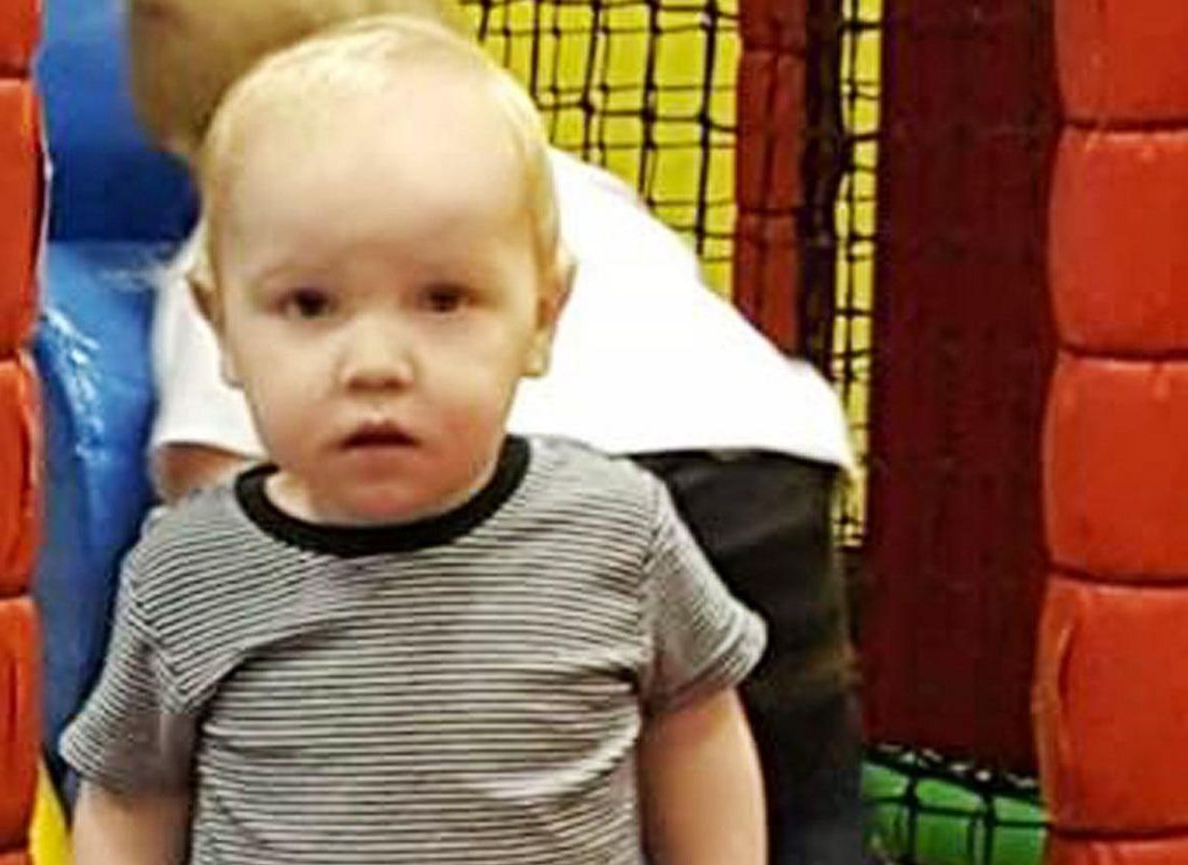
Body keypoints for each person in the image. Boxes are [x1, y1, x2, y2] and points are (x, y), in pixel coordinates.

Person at [128, 1, 867, 863]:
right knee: (790, 779)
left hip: (559, 503)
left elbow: (220, 491)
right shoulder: (552, 181)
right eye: (314, 308)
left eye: (441, 301)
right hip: (765, 454)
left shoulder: (253, 242)